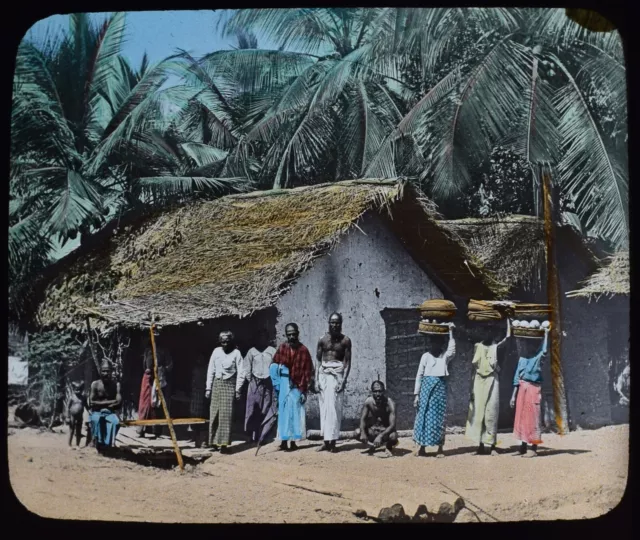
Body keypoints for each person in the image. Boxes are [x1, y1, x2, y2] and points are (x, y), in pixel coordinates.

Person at [465, 319, 511, 455]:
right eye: (485, 331)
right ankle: (480, 446)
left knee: (491, 413)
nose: (487, 334)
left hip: (492, 380)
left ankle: (491, 446)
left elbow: (507, 339)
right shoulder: (477, 346)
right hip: (478, 382)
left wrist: (508, 321)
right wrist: (471, 388)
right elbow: (473, 369)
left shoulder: (496, 347)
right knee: (478, 414)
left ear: (494, 334)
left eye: (490, 332)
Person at [413, 323, 456, 458]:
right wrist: (416, 395)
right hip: (426, 389)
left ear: (441, 344)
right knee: (424, 416)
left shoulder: (444, 356)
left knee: (439, 417)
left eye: (438, 343)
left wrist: (450, 331)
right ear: (430, 344)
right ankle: (422, 447)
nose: (435, 346)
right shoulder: (425, 356)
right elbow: (419, 375)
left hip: (439, 389)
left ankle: (440, 448)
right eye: (433, 343)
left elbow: (452, 350)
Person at [271, 323, 314, 451]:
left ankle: (294, 442)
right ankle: (284, 441)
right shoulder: (282, 348)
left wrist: (303, 391)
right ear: (286, 334)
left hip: (297, 385)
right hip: (284, 384)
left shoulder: (304, 350)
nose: (291, 336)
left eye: (294, 334)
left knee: (295, 413)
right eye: (289, 334)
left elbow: (308, 371)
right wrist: (277, 384)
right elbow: (274, 365)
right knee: (284, 413)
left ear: (298, 333)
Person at [315, 313, 352, 453]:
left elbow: (347, 362)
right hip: (324, 375)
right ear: (328, 323)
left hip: (337, 376)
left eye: (337, 323)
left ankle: (333, 443)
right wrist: (316, 379)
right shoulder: (322, 339)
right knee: (324, 409)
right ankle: (325, 441)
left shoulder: (345, 341)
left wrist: (343, 381)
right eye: (332, 322)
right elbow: (318, 360)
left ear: (341, 324)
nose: (335, 325)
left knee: (335, 410)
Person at [510, 327, 549, 458]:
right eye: (527, 345)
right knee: (521, 418)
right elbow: (516, 378)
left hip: (533, 389)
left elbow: (544, 351)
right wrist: (513, 396)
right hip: (522, 389)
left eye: (532, 345)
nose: (528, 348)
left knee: (533, 418)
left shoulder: (538, 358)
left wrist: (546, 334)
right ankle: (522, 447)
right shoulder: (522, 359)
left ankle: (533, 448)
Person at [205, 331, 243, 453]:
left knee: (226, 416)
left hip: (229, 385)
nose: (225, 343)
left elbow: (241, 372)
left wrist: (238, 389)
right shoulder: (216, 351)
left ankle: (224, 445)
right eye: (223, 341)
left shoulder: (236, 353)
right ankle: (213, 442)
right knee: (214, 413)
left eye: (227, 340)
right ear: (220, 341)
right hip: (217, 384)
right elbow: (211, 369)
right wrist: (208, 388)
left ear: (231, 340)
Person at [239, 329, 277, 443]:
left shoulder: (272, 351)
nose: (262, 339)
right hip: (255, 383)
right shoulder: (252, 352)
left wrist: (272, 379)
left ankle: (262, 435)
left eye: (264, 337)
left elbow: (275, 365)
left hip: (268, 383)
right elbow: (246, 367)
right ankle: (251, 435)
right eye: (259, 337)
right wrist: (251, 380)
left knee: (266, 408)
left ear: (267, 338)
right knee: (253, 409)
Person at [137, 338, 173, 439]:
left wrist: (161, 370)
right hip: (148, 378)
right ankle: (141, 429)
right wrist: (148, 370)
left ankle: (156, 430)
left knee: (157, 405)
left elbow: (170, 365)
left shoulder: (164, 351)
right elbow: (145, 365)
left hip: (159, 379)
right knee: (145, 403)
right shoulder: (148, 350)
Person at [355, 381, 398, 457]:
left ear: (384, 391)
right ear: (372, 391)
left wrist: (380, 436)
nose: (378, 394)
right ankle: (372, 445)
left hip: (385, 432)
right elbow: (363, 419)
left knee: (393, 436)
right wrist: (363, 433)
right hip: (373, 430)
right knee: (357, 432)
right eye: (375, 391)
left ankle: (388, 447)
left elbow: (392, 425)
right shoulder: (368, 402)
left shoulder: (390, 403)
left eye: (380, 391)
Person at [88, 359, 122, 451]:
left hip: (110, 412)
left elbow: (118, 402)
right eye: (103, 371)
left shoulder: (116, 385)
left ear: (111, 371)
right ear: (100, 372)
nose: (106, 373)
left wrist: (101, 404)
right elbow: (91, 402)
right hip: (97, 412)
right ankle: (96, 441)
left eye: (108, 371)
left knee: (116, 422)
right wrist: (111, 402)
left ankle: (108, 443)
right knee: (96, 420)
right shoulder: (95, 384)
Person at [189, 353, 208, 448]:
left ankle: (201, 439)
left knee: (202, 417)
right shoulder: (195, 369)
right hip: (195, 393)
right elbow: (193, 381)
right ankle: (194, 436)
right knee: (194, 415)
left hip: (203, 393)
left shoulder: (206, 370)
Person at [67, 381, 85, 447]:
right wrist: (67, 417)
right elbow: (67, 407)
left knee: (78, 430)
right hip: (72, 416)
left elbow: (86, 406)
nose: (78, 391)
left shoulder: (83, 398)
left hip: (80, 416)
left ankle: (77, 445)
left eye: (79, 390)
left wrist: (90, 411)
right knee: (71, 430)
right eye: (76, 390)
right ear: (74, 389)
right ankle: (69, 444)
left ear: (82, 390)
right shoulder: (72, 397)